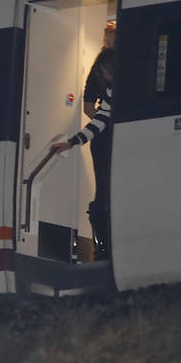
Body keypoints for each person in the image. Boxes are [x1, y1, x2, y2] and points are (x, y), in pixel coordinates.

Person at [51, 33, 115, 260]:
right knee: (104, 196)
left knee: (105, 195)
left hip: (114, 147)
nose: (102, 77)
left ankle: (104, 248)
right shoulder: (109, 93)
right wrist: (72, 142)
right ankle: (104, 247)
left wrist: (73, 142)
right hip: (109, 146)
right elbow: (99, 121)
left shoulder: (115, 91)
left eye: (104, 72)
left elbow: (99, 120)